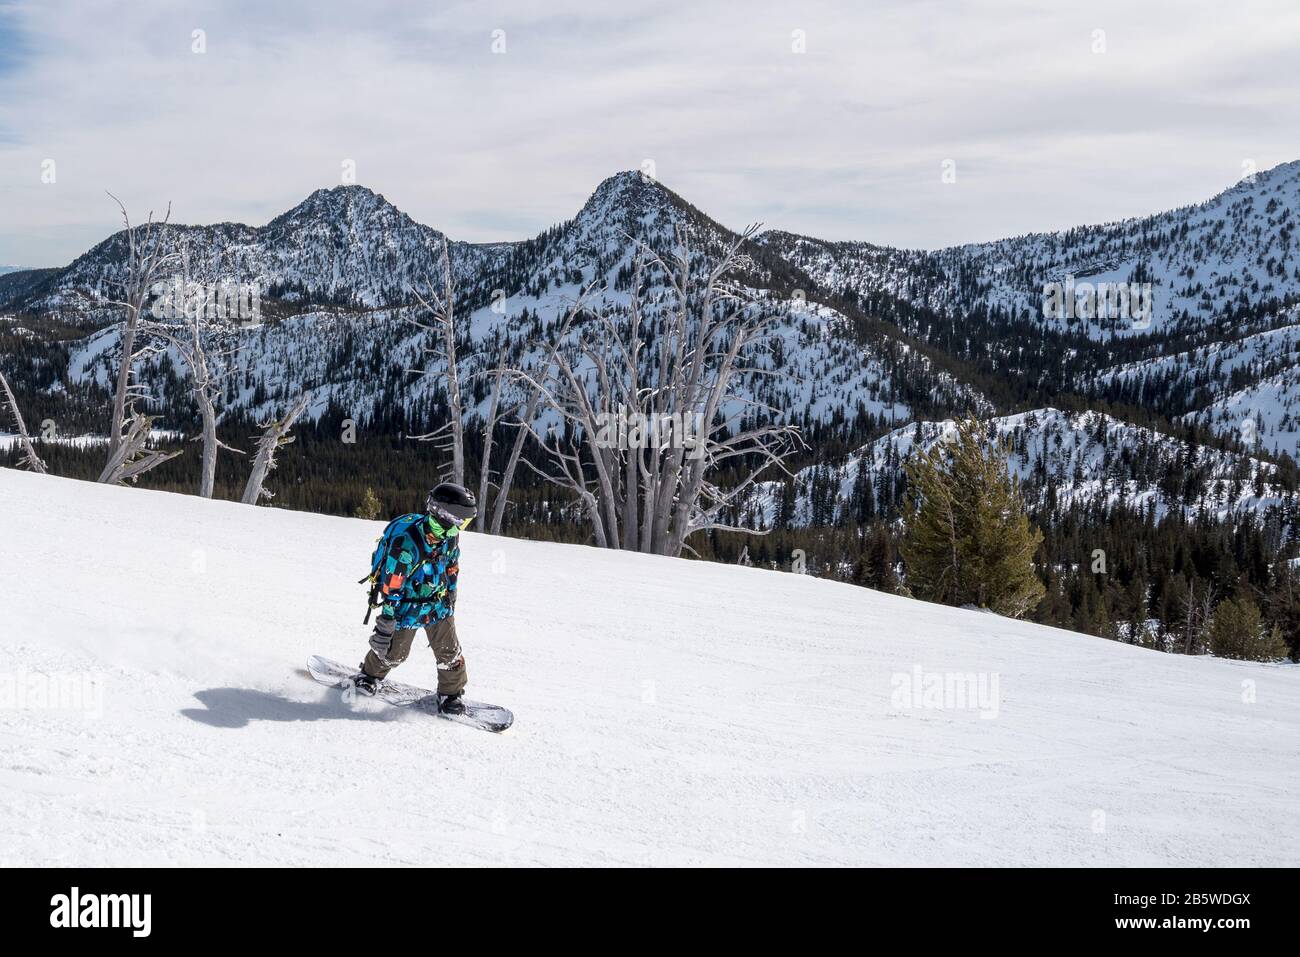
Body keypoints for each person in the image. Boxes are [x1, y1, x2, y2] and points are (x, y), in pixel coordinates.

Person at [354, 483, 478, 713]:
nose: (461, 528)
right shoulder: (406, 543)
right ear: (445, 516)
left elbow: (452, 565)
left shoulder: (450, 537)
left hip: (437, 603)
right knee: (393, 653)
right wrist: (386, 622)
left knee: (450, 653)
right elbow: (392, 585)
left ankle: (451, 695)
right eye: (462, 522)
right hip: (406, 607)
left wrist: (451, 593)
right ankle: (369, 676)